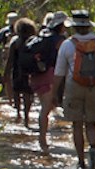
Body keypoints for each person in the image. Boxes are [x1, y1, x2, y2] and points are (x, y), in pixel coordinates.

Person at [52, 10, 95, 169]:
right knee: (91, 122)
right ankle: (93, 150)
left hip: (74, 86)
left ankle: (80, 161)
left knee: (77, 124)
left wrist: (54, 93)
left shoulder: (67, 45)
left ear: (73, 27)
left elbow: (59, 72)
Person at [29, 13, 67, 151]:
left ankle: (43, 138)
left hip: (37, 75)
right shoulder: (59, 40)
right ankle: (42, 140)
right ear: (61, 26)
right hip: (49, 75)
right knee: (45, 108)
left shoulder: (42, 35)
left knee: (47, 106)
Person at [5, 15, 39, 124]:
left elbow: (10, 59)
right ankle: (26, 116)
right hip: (30, 71)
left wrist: (6, 72)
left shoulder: (15, 41)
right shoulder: (35, 41)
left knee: (17, 92)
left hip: (16, 71)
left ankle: (18, 113)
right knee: (28, 94)